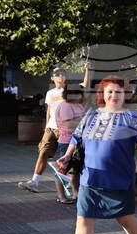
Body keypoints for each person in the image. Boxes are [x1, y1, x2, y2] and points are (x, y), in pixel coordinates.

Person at [52, 77, 137, 234]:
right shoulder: (91, 114)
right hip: (91, 178)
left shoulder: (132, 117)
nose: (114, 96)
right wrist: (68, 156)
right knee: (84, 221)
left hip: (119, 178)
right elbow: (76, 137)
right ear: (103, 94)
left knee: (125, 219)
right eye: (110, 92)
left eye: (118, 92)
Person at [18, 65, 89, 193]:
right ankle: (34, 181)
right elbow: (49, 110)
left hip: (66, 129)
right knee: (43, 154)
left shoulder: (70, 90)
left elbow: (84, 85)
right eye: (57, 74)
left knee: (68, 159)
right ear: (52, 78)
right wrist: (46, 126)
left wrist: (87, 70)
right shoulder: (50, 93)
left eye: (62, 73)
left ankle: (68, 184)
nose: (60, 76)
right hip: (51, 127)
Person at [54, 85, 87, 204]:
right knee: (63, 167)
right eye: (82, 93)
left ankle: (75, 193)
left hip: (78, 141)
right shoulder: (65, 107)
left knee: (75, 169)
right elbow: (69, 125)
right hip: (67, 141)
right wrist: (85, 121)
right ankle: (61, 195)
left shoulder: (78, 106)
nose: (84, 95)